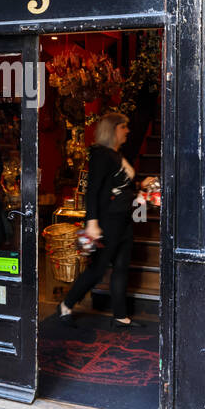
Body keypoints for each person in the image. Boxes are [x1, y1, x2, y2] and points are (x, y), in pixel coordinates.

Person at [59, 111, 143, 330]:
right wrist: (92, 222)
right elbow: (93, 190)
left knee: (122, 267)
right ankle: (66, 305)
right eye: (123, 126)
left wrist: (141, 188)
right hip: (107, 221)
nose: (127, 130)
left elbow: (122, 187)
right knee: (97, 269)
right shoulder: (101, 154)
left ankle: (120, 316)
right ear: (113, 129)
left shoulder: (118, 155)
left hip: (124, 219)